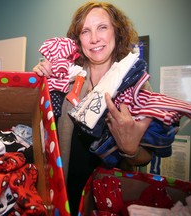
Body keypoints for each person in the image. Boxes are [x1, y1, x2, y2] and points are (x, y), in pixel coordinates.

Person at [33, 1, 153, 215]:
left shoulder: (137, 84)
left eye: (102, 28)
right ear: (78, 39)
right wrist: (41, 79)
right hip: (66, 193)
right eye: (85, 31)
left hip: (110, 199)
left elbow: (146, 156)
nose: (94, 38)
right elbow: (41, 126)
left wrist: (130, 148)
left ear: (117, 31)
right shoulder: (66, 77)